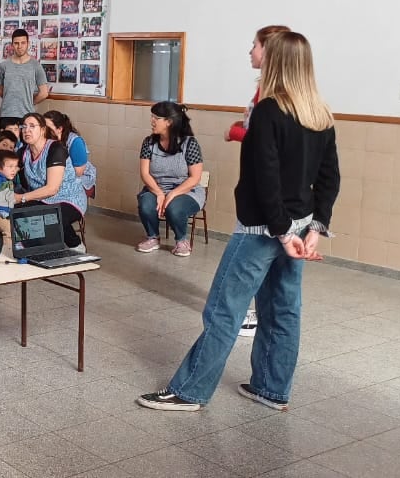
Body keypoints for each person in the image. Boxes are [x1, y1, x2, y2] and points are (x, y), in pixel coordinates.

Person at [137, 31, 340, 413]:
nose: (250, 50)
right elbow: (330, 179)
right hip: (296, 227)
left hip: (263, 230)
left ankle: (190, 391)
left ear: (276, 59)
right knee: (283, 310)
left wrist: (280, 232)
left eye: (256, 46)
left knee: (223, 310)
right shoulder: (320, 112)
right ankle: (271, 388)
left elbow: (266, 178)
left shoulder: (269, 110)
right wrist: (313, 228)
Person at [226, 24, 291, 338]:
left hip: (263, 202)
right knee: (280, 287)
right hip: (263, 196)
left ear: (269, 51)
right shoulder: (263, 88)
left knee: (231, 290)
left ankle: (244, 315)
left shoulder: (272, 95)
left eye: (254, 45)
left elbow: (263, 144)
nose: (250, 51)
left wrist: (236, 132)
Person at [136, 102, 206, 257]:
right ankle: (152, 237)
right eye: (152, 117)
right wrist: (160, 193)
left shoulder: (190, 143)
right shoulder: (149, 142)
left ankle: (182, 241)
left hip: (187, 191)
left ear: (169, 122)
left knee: (173, 207)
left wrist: (172, 194)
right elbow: (145, 174)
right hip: (156, 188)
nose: (152, 121)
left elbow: (195, 178)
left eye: (156, 118)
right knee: (146, 203)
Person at [15, 112, 87, 250]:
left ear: (42, 130)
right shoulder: (23, 152)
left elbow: (52, 189)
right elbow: (7, 170)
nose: (26, 130)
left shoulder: (56, 149)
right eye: (23, 126)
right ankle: (30, 248)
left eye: (32, 126)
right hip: (40, 198)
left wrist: (21, 198)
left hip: (68, 198)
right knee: (19, 213)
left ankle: (76, 245)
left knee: (50, 216)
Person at [0, 29, 50, 133]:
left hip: (27, 115)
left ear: (28, 44)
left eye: (23, 43)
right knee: (6, 147)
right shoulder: (4, 66)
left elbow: (44, 93)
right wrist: (12, 100)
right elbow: (1, 91)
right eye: (16, 43)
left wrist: (29, 102)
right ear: (12, 44)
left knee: (25, 148)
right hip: (6, 115)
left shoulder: (35, 66)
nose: (19, 46)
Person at [43, 110, 97, 192]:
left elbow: (78, 172)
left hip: (78, 178)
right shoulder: (45, 140)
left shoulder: (75, 142)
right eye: (42, 127)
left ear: (59, 129)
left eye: (48, 128)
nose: (44, 131)